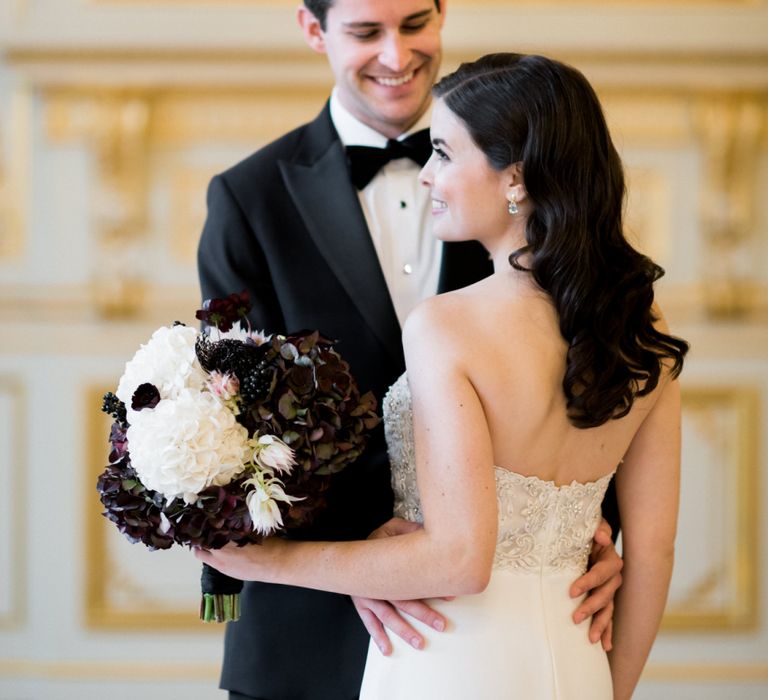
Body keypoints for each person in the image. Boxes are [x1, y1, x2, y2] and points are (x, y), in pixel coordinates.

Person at [198, 51, 689, 700]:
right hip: (577, 656)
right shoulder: (640, 318)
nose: (428, 176)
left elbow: (459, 560)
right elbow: (652, 555)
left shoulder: (445, 325)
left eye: (445, 154)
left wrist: (264, 560)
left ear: (514, 176)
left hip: (444, 655)